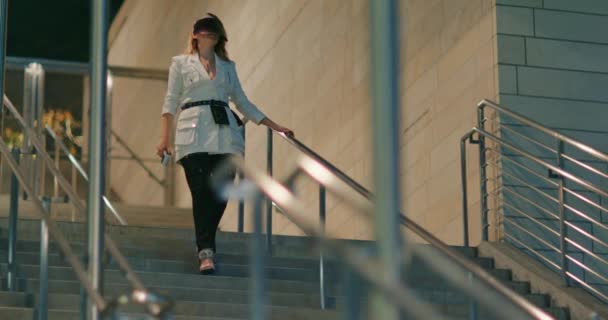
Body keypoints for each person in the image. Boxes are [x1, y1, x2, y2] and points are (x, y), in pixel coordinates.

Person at [156, 13, 293, 274]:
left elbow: (241, 101)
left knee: (222, 189)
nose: (210, 36)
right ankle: (206, 251)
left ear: (220, 38)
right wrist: (164, 138)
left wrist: (273, 125)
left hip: (225, 133)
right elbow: (170, 101)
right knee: (201, 191)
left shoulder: (228, 67)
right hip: (192, 135)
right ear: (195, 35)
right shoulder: (181, 63)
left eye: (215, 33)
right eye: (205, 31)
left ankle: (206, 246)